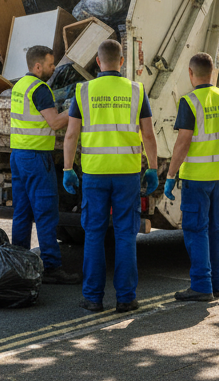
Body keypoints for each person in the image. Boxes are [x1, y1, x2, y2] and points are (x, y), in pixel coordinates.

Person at [62, 39, 159, 313]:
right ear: (122, 61)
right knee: (125, 234)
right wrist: (152, 167)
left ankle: (93, 298)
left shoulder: (84, 91)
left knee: (94, 234)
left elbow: (71, 134)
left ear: (97, 61)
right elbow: (148, 134)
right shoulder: (136, 91)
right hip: (127, 174)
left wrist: (68, 169)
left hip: (95, 174)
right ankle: (126, 298)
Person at [164, 52, 219, 302]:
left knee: (196, 229)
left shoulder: (190, 102)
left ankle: (200, 285)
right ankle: (217, 284)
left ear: (190, 73)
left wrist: (171, 175)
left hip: (197, 177)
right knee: (217, 229)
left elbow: (183, 142)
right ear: (213, 73)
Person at [10, 45, 81, 285]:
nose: (53, 69)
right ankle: (51, 267)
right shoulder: (40, 89)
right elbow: (55, 123)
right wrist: (77, 107)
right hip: (36, 158)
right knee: (46, 213)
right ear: (38, 66)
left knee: (21, 212)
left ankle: (18, 264)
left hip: (18, 155)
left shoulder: (19, 85)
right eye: (51, 65)